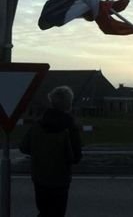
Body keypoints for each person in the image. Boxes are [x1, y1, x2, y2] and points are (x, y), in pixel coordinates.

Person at [19, 85, 82, 217]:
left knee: (44, 212)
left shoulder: (38, 125)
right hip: (60, 180)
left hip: (40, 178)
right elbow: (76, 156)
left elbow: (24, 147)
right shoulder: (69, 126)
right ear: (68, 103)